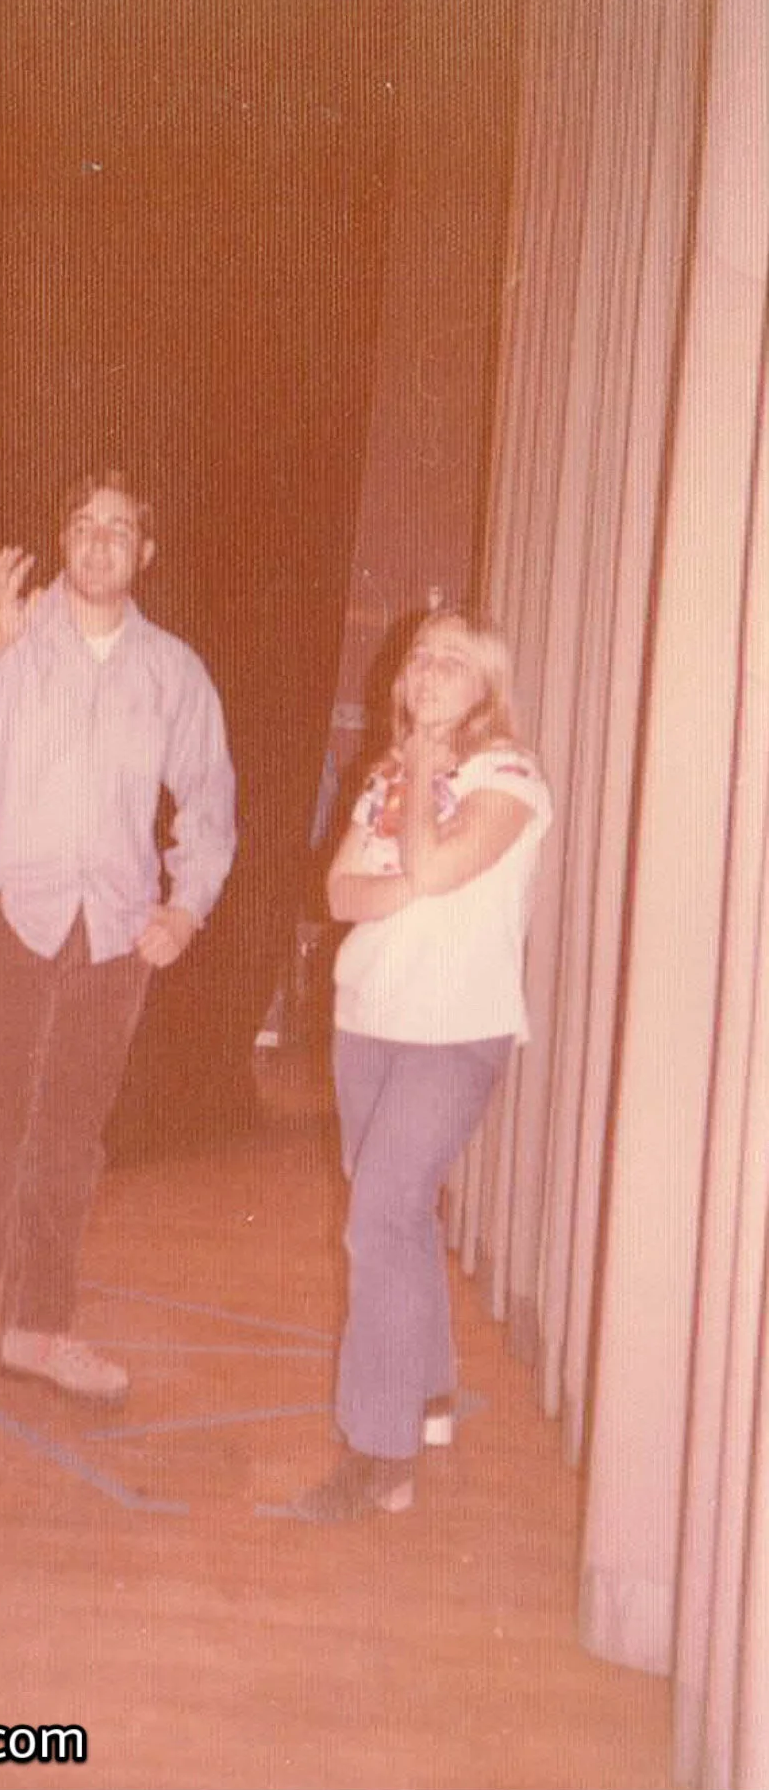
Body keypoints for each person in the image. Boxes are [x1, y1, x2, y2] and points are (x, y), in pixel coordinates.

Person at [0, 471, 237, 1427]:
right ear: (64, 539)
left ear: (145, 554)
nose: (100, 541)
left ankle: (38, 1327)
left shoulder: (175, 674)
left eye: (121, 529)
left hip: (114, 935)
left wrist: (186, 907)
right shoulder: (8, 640)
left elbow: (211, 804)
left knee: (69, 1146)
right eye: (83, 524)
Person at [293, 612, 551, 1518]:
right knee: (397, 1216)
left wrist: (427, 783)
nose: (431, 671)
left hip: (456, 1030)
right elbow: (338, 892)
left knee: (381, 1218)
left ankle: (380, 1450)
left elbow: (436, 872)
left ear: (485, 684)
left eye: (453, 661)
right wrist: (406, 821)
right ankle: (430, 1390)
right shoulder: (387, 775)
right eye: (421, 659)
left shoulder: (510, 778)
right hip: (367, 1019)